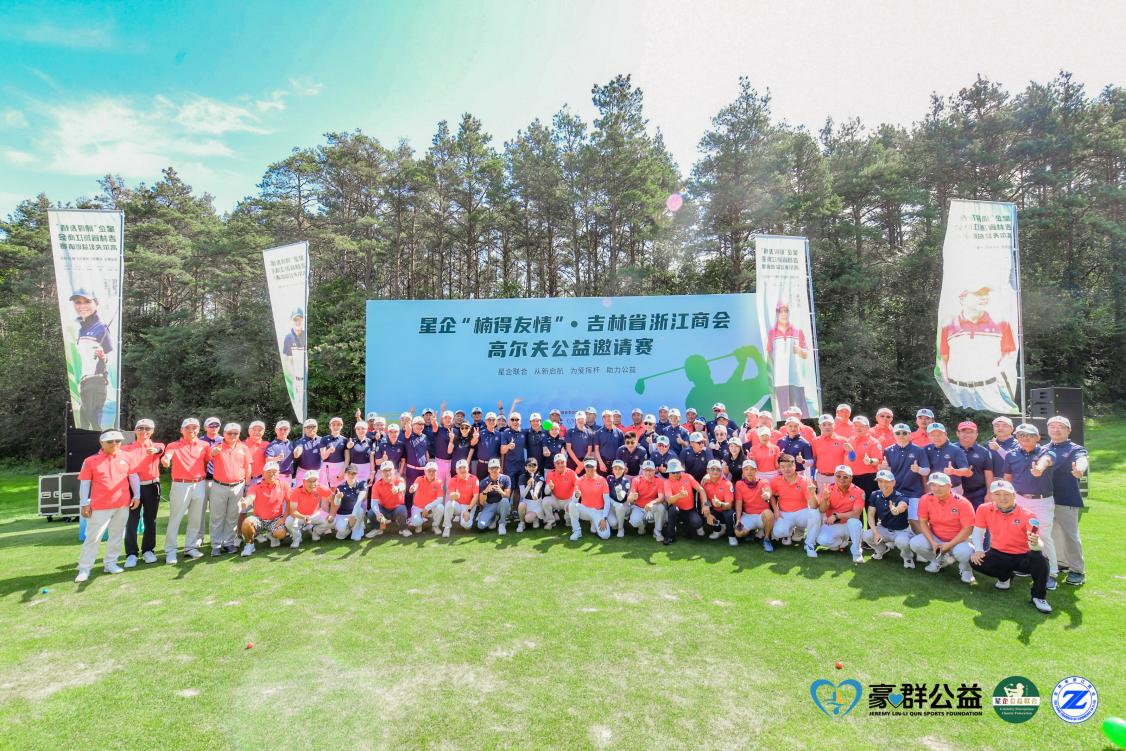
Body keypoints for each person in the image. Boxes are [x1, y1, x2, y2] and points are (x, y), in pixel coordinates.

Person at [970, 479, 1052, 613]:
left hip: (1022, 556)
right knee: (975, 561)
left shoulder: (1028, 515)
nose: (1002, 498)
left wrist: (1035, 543)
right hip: (998, 552)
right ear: (991, 496)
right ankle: (1005, 577)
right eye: (997, 494)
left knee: (1040, 559)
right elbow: (978, 531)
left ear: (1014, 495)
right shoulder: (984, 509)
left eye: (1006, 494)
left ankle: (1038, 597)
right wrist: (978, 550)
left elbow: (1037, 544)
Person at [938, 285, 1020, 413]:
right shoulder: (948, 324)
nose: (984, 298)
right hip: (958, 392)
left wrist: (1000, 378)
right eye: (978, 294)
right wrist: (948, 384)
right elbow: (944, 356)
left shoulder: (1001, 322)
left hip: (991, 389)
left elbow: (1007, 354)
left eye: (985, 294)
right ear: (962, 299)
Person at [75, 430, 142, 582]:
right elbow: (85, 483)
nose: (114, 444)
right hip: (99, 506)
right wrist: (84, 503)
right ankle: (84, 568)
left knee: (116, 535)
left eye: (118, 441)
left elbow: (133, 477)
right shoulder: (90, 460)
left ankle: (110, 563)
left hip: (122, 504)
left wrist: (137, 496)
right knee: (93, 537)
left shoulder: (128, 456)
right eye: (110, 441)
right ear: (102, 443)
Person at [1003, 423, 1059, 590]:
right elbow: (1007, 479)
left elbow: (1046, 461)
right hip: (1019, 500)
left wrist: (1039, 469)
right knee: (1019, 534)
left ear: (1037, 438)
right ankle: (1025, 566)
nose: (1025, 437)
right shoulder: (1011, 454)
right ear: (1017, 437)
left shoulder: (1047, 452)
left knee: (1043, 535)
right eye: (1021, 435)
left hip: (1041, 501)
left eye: (1029, 435)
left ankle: (1052, 573)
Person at [1045, 415, 1089, 586]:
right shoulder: (1043, 448)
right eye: (1052, 426)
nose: (1056, 430)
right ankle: (1061, 563)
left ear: (1069, 430)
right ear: (1048, 429)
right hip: (1046, 499)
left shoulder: (1075, 449)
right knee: (1052, 534)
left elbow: (1082, 460)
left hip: (1067, 499)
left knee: (1071, 536)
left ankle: (1077, 570)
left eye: (1061, 427)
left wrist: (1080, 470)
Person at [909, 473, 975, 583]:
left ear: (949, 486)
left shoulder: (963, 503)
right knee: (915, 543)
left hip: (959, 540)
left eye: (941, 485)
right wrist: (932, 542)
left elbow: (968, 529)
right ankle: (939, 560)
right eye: (933, 485)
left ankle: (966, 570)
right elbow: (923, 522)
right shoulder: (925, 499)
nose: (936, 489)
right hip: (937, 538)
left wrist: (949, 545)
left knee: (964, 552)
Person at [160, 418, 209, 562]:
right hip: (181, 485)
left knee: (195, 519)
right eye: (188, 427)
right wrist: (165, 460)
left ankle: (190, 548)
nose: (191, 430)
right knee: (175, 519)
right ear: (182, 430)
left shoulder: (204, 445)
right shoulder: (173, 445)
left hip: (199, 484)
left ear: (198, 430)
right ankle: (170, 550)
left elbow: (208, 461)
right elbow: (167, 456)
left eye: (194, 427)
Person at [69, 289, 113, 430]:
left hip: (96, 381)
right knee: (84, 426)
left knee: (94, 426)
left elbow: (110, 356)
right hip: (85, 383)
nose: (82, 306)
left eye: (87, 301)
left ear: (96, 303)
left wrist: (103, 357)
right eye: (78, 302)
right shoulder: (81, 329)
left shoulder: (101, 328)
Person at [122, 418, 163, 567]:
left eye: (147, 429)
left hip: (152, 486)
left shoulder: (156, 445)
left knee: (150, 520)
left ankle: (148, 550)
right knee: (131, 521)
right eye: (140, 428)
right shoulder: (126, 449)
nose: (143, 431)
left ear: (152, 431)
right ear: (135, 430)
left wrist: (155, 450)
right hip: (132, 488)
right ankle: (131, 553)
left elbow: (161, 449)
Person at [207, 423, 252, 556]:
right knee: (217, 516)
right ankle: (216, 545)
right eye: (229, 433)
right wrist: (214, 452)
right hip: (219, 485)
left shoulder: (243, 448)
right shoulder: (217, 446)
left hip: (238, 486)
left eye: (235, 433)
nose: (232, 435)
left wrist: (247, 484)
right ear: (224, 434)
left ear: (239, 434)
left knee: (232, 516)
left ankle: (228, 543)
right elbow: (210, 454)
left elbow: (247, 466)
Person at [880, 422, 929, 532]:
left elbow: (926, 471)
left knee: (914, 520)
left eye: (904, 433)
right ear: (893, 435)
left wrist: (918, 469)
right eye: (898, 433)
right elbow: (887, 473)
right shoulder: (888, 451)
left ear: (910, 434)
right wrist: (884, 468)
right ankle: (902, 539)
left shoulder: (919, 450)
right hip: (895, 491)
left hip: (914, 491)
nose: (901, 435)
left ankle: (924, 541)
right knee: (895, 518)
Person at [769, 454, 820, 557]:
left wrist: (812, 493)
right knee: (778, 532)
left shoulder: (804, 481)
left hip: (801, 512)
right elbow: (771, 495)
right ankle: (789, 533)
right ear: (779, 468)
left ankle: (809, 544)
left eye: (789, 466)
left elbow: (814, 506)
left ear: (795, 466)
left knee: (815, 514)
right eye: (783, 467)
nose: (786, 469)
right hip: (784, 513)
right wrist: (775, 509)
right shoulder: (775, 480)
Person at [765, 301, 810, 416]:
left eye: (786, 311)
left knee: (800, 411)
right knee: (784, 412)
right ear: (776, 314)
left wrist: (799, 350)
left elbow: (806, 354)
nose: (783, 314)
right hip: (780, 380)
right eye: (780, 311)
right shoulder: (771, 333)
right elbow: (769, 357)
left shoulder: (797, 331)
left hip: (796, 379)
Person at [862, 469, 914, 568]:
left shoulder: (900, 496)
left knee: (902, 542)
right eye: (880, 481)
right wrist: (875, 532)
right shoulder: (875, 494)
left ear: (893, 483)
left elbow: (903, 506)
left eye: (886, 481)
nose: (883, 484)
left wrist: (896, 510)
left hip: (901, 531)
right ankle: (882, 550)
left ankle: (907, 557)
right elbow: (870, 515)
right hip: (884, 528)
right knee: (867, 535)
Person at [815, 464, 866, 563]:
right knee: (822, 540)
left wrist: (837, 515)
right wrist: (825, 499)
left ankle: (857, 553)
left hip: (848, 525)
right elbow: (822, 510)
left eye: (845, 477)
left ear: (851, 478)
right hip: (833, 524)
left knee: (855, 523)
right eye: (838, 476)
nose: (841, 479)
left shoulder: (859, 491)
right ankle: (840, 542)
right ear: (834, 477)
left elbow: (856, 514)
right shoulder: (828, 488)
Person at [237, 462, 290, 555]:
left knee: (281, 533)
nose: (271, 474)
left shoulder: (284, 485)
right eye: (268, 471)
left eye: (274, 472)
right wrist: (246, 502)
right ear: (263, 473)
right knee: (246, 523)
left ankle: (271, 535)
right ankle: (250, 544)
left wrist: (284, 517)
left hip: (276, 519)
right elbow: (250, 497)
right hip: (259, 519)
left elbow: (290, 502)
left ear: (278, 473)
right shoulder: (256, 487)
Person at [661, 459, 706, 545]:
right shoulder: (667, 482)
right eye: (673, 472)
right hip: (677, 511)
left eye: (678, 472)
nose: (675, 474)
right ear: (669, 472)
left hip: (690, 510)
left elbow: (701, 489)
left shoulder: (687, 476)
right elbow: (669, 500)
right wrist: (679, 495)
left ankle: (687, 528)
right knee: (673, 510)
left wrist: (705, 504)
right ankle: (670, 536)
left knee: (697, 523)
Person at [733, 459, 774, 552]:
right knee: (738, 532)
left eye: (752, 469)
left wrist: (767, 495)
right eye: (746, 469)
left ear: (756, 470)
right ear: (743, 471)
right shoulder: (739, 484)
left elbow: (768, 491)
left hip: (761, 516)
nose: (749, 472)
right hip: (748, 516)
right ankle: (751, 532)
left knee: (768, 514)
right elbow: (739, 502)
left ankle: (766, 539)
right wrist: (738, 519)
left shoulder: (763, 482)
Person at [286, 470, 335, 547]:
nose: (312, 484)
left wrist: (331, 514)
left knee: (332, 521)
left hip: (315, 514)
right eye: (309, 481)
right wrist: (303, 517)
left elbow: (333, 499)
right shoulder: (296, 492)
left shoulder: (320, 487)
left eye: (314, 481)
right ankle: (297, 538)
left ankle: (315, 532)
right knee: (288, 521)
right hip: (300, 516)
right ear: (304, 481)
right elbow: (293, 512)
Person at [954, 421, 994, 510]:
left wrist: (989, 493)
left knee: (978, 517)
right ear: (958, 433)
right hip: (955, 493)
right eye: (964, 431)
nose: (968, 434)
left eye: (971, 432)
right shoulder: (951, 449)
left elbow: (988, 473)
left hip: (978, 494)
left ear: (976, 434)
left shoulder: (984, 452)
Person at [569, 458, 612, 541]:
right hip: (585, 510)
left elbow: (607, 501)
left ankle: (594, 524)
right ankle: (577, 531)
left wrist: (604, 518)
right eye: (587, 468)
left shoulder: (602, 480)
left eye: (592, 468)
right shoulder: (579, 480)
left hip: (598, 511)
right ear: (585, 468)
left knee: (605, 536)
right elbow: (574, 500)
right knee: (572, 505)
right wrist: (576, 495)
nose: (589, 471)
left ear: (595, 468)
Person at [365, 461, 410, 538]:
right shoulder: (377, 485)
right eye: (385, 470)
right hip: (384, 509)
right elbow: (374, 502)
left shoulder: (399, 480)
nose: (387, 473)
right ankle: (377, 529)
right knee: (371, 513)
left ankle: (403, 529)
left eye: (389, 470)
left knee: (402, 510)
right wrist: (378, 513)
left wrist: (397, 489)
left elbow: (402, 486)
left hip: (397, 509)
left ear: (394, 471)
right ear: (381, 473)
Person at [923, 423, 971, 493]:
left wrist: (954, 471)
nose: (936, 438)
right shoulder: (926, 449)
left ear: (945, 434)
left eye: (940, 434)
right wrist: (925, 487)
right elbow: (924, 471)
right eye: (933, 435)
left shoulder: (956, 450)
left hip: (952, 489)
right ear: (928, 436)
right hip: (932, 489)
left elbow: (966, 471)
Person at [845, 416, 883, 500]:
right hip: (851, 478)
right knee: (852, 503)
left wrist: (870, 461)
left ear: (867, 428)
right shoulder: (849, 440)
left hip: (867, 479)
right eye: (856, 425)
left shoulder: (873, 442)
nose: (858, 428)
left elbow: (877, 460)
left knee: (868, 503)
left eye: (861, 426)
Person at [700, 460, 737, 545]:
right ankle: (718, 530)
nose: (715, 471)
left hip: (726, 510)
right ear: (707, 470)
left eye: (718, 469)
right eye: (712, 469)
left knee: (729, 514)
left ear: (721, 471)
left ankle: (731, 535)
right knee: (705, 511)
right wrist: (708, 514)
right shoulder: (705, 483)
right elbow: (704, 500)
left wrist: (720, 504)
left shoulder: (727, 484)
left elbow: (729, 505)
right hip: (715, 510)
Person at [628, 460, 666, 541]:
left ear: (654, 471)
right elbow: (630, 499)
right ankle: (642, 526)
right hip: (638, 507)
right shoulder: (636, 480)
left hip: (652, 507)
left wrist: (651, 503)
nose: (648, 473)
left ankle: (657, 531)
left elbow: (661, 498)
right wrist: (632, 497)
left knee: (661, 507)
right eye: (646, 470)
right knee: (634, 522)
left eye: (650, 470)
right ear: (642, 470)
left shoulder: (659, 481)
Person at [442, 459, 480, 537]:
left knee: (466, 525)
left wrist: (468, 510)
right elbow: (451, 494)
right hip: (458, 505)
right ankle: (447, 526)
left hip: (469, 505)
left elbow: (476, 497)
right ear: (456, 470)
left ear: (468, 468)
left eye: (464, 467)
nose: (462, 470)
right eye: (460, 468)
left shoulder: (474, 479)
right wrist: (454, 495)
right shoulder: (452, 480)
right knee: (449, 503)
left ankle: (464, 518)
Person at [811, 414, 847, 494]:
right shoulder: (815, 441)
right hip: (821, 477)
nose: (827, 427)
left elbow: (852, 458)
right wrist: (812, 477)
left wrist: (851, 451)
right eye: (824, 424)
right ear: (820, 427)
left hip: (838, 476)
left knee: (838, 499)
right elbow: (814, 460)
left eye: (830, 424)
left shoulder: (843, 440)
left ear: (834, 425)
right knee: (822, 499)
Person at [330, 464, 368, 541]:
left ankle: (356, 532)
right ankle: (350, 529)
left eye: (354, 473)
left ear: (357, 474)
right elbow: (336, 504)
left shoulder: (362, 484)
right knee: (341, 532)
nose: (351, 475)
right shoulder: (340, 487)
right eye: (349, 473)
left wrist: (352, 516)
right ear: (345, 474)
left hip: (354, 513)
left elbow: (360, 500)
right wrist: (337, 497)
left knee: (360, 510)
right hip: (342, 515)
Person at [281, 307, 307, 419]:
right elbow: (288, 360)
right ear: (292, 321)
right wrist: (294, 377)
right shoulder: (288, 337)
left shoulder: (305, 335)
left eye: (299, 319)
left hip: (305, 374)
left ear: (302, 319)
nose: (298, 322)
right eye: (295, 319)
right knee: (298, 403)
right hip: (295, 376)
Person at [476, 458, 512, 535]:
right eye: (492, 468)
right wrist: (485, 491)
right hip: (489, 505)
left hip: (501, 504)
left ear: (500, 468)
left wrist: (500, 491)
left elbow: (508, 496)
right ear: (488, 470)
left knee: (505, 500)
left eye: (496, 467)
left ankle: (502, 524)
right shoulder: (484, 481)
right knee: (481, 525)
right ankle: (494, 518)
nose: (494, 470)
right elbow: (481, 502)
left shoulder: (506, 478)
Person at [407, 462, 445, 535]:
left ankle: (435, 526)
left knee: (440, 507)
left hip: (430, 509)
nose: (431, 473)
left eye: (433, 471)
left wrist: (427, 507)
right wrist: (412, 488)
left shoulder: (439, 482)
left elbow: (440, 499)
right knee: (416, 522)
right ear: (425, 471)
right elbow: (414, 486)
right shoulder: (419, 479)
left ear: (436, 472)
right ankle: (419, 524)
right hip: (418, 507)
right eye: (429, 471)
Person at [544, 453, 579, 529]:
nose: (560, 465)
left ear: (566, 463)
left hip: (568, 500)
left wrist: (575, 497)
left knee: (572, 505)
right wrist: (549, 487)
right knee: (545, 501)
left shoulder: (571, 473)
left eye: (562, 462)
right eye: (557, 463)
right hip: (556, 499)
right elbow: (546, 492)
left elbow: (578, 487)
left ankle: (568, 520)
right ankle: (551, 521)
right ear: (554, 464)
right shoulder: (550, 474)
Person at [514, 457, 546, 532]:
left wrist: (535, 494)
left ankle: (536, 517)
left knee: (529, 519)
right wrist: (528, 486)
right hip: (527, 502)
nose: (532, 468)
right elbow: (523, 495)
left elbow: (538, 487)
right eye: (529, 466)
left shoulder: (540, 477)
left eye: (534, 465)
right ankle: (522, 523)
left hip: (537, 503)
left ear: (537, 467)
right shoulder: (522, 477)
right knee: (521, 505)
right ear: (525, 467)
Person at [291, 418, 324, 487]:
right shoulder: (299, 441)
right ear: (304, 429)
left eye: (313, 427)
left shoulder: (322, 440)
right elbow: (296, 455)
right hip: (303, 473)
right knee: (301, 492)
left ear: (317, 428)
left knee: (318, 493)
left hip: (318, 473)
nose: (311, 429)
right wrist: (297, 451)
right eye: (308, 427)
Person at [318, 417, 349, 488]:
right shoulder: (324, 439)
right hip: (327, 468)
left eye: (338, 424)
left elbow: (347, 458)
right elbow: (323, 457)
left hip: (340, 468)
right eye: (333, 424)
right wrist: (329, 451)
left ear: (341, 426)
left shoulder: (344, 440)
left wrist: (343, 471)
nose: (336, 427)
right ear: (330, 426)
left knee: (339, 491)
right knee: (326, 491)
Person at [606, 459, 632, 537]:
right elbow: (605, 494)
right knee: (613, 524)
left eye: (620, 469)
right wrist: (613, 502)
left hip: (623, 506)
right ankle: (616, 524)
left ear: (624, 470)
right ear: (612, 469)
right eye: (615, 468)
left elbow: (621, 499)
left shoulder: (626, 481)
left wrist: (619, 492)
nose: (617, 471)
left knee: (619, 507)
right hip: (611, 506)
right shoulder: (609, 478)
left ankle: (621, 529)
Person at [500, 412, 529, 481]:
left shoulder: (524, 432)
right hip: (510, 467)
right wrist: (508, 446)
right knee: (510, 486)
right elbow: (502, 451)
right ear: (510, 421)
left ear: (520, 421)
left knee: (521, 486)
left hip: (521, 466)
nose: (515, 422)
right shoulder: (505, 433)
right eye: (512, 419)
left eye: (517, 419)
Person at [265, 420, 295, 486]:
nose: (283, 431)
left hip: (289, 476)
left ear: (289, 430)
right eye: (280, 429)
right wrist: (277, 458)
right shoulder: (271, 445)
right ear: (276, 430)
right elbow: (267, 460)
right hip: (277, 477)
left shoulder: (291, 443)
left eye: (285, 429)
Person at [473, 413, 503, 479]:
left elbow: (501, 452)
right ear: (486, 422)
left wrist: (501, 466)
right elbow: (472, 444)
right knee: (481, 484)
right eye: (489, 420)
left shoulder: (499, 434)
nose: (491, 421)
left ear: (496, 422)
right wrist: (475, 438)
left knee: (494, 484)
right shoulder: (480, 433)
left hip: (495, 465)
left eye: (493, 420)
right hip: (482, 465)